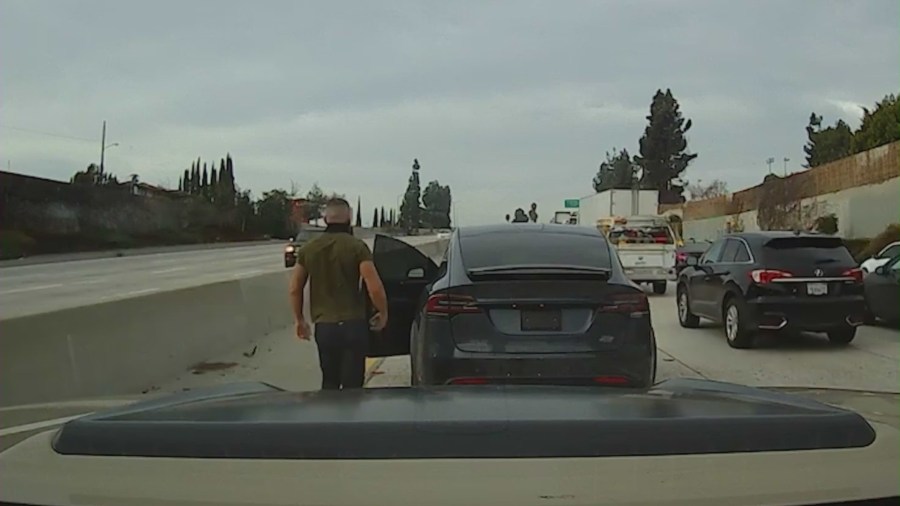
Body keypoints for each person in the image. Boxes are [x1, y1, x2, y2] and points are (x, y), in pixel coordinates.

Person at [288, 198, 389, 390]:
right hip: (354, 326)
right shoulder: (357, 247)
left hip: (325, 327)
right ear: (349, 218)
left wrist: (299, 319)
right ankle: (351, 419)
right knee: (353, 387)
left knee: (329, 382)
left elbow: (295, 288)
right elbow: (374, 286)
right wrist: (382, 312)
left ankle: (329, 419)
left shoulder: (309, 249)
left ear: (325, 219)